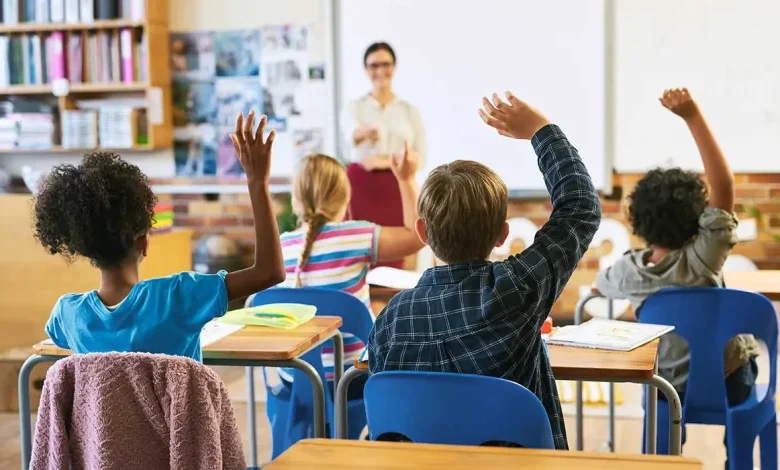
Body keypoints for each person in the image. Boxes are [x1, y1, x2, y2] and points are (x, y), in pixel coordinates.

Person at [367, 91, 602, 449]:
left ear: (422, 233)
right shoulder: (518, 289)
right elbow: (580, 207)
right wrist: (541, 129)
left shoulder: (390, 321)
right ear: (502, 236)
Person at [37, 111, 286, 362]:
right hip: (179, 404)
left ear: (84, 247)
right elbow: (270, 272)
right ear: (143, 242)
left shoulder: (68, 314)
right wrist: (257, 182)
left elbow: (59, 337)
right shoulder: (178, 297)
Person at [594, 88, 759, 459]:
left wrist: (634, 309)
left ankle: (658, 462)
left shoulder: (628, 272)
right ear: (699, 221)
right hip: (728, 374)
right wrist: (692, 115)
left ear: (637, 221)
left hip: (666, 386)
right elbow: (725, 187)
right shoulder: (704, 258)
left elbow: (598, 287)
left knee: (657, 425)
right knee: (741, 416)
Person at [276, 145, 424, 399]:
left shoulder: (281, 247)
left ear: (296, 200)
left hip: (295, 379)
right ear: (345, 197)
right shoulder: (356, 237)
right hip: (351, 378)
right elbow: (418, 234)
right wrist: (406, 178)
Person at [344, 42, 426, 269]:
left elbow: (420, 155)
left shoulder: (409, 110)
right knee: (360, 249)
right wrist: (362, 134)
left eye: (386, 64)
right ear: (365, 69)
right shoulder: (354, 107)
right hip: (360, 187)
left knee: (400, 249)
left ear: (395, 67)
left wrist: (384, 160)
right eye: (374, 65)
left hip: (397, 186)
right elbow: (345, 143)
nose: (380, 71)